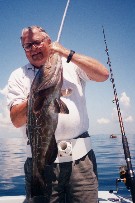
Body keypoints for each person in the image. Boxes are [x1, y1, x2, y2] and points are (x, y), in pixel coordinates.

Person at [7, 25, 109, 203]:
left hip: (81, 162)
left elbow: (103, 74)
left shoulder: (70, 65)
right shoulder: (18, 76)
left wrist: (67, 53)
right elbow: (16, 120)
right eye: (27, 46)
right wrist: (39, 96)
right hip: (41, 163)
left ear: (49, 42)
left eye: (37, 42)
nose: (33, 49)